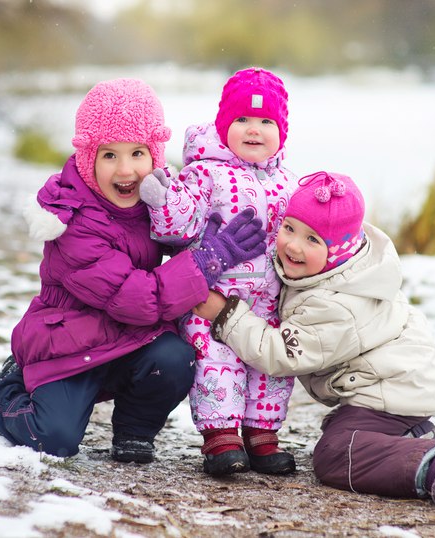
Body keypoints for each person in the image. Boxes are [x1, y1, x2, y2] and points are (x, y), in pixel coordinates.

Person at [0, 78, 267, 464]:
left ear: (156, 155)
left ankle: (133, 432)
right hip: (69, 345)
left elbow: (181, 235)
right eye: (109, 155)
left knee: (174, 358)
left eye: (138, 153)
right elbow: (139, 300)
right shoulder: (74, 221)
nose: (126, 169)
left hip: (127, 341)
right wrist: (207, 260)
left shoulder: (156, 199)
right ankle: (2, 395)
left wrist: (210, 229)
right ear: (87, 158)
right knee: (55, 438)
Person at [193, 170, 435, 506]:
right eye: (289, 229)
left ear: (339, 248)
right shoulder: (341, 268)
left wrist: (226, 313)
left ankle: (431, 463)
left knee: (335, 453)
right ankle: (407, 435)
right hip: (397, 385)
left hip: (389, 391)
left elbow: (281, 354)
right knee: (341, 429)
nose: (294, 246)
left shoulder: (336, 304)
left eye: (313, 240)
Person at [137, 67, 298, 476]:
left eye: (266, 122)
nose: (254, 130)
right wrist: (164, 201)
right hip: (216, 298)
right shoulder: (207, 173)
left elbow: (303, 234)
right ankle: (221, 437)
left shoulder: (290, 182)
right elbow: (182, 222)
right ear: (224, 126)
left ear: (281, 131)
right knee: (217, 363)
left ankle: (262, 433)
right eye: (242, 120)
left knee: (268, 368)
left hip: (269, 303)